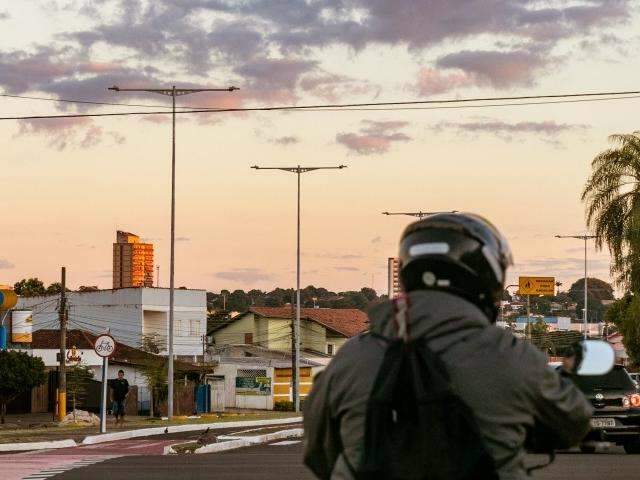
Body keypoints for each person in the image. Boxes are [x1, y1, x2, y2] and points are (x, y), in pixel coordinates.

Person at [304, 213, 593, 480]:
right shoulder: (510, 356)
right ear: (487, 276)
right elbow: (573, 423)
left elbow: (318, 452)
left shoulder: (351, 356)